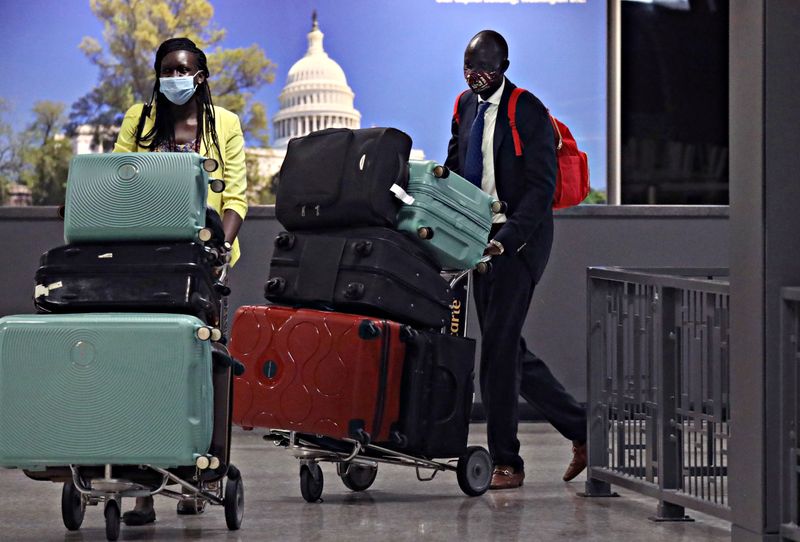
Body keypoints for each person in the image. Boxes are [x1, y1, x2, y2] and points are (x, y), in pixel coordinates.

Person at [112, 37, 248, 525]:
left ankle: (196, 479)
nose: (174, 78)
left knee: (194, 368)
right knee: (140, 366)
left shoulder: (226, 125)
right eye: (166, 70)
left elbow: (236, 197)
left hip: (201, 267)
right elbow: (115, 179)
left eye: (183, 70)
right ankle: (144, 488)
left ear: (201, 75)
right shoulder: (139, 120)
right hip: (145, 260)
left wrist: (217, 250)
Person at [445, 30, 587, 490]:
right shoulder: (465, 106)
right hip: (477, 237)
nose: (474, 77)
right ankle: (585, 431)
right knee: (508, 348)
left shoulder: (527, 110)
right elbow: (454, 168)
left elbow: (541, 188)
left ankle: (508, 462)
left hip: (520, 240)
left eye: (483, 69)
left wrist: (508, 239)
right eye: (468, 68)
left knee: (499, 351)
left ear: (503, 66)